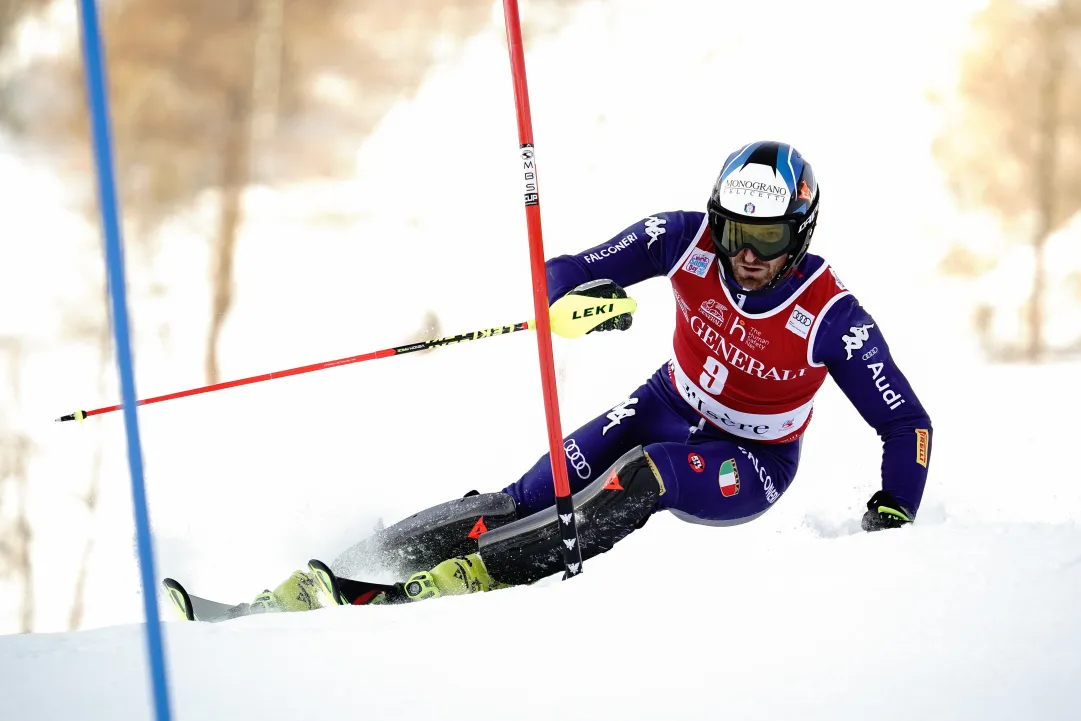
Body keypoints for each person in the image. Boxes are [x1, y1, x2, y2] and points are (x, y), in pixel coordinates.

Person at [254, 140, 934, 612]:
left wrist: (894, 505)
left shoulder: (828, 313)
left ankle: (479, 574)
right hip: (665, 399)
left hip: (750, 458)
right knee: (526, 492)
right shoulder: (683, 236)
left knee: (651, 472)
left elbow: (906, 423)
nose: (746, 256)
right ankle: (351, 565)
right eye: (734, 234)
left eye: (767, 240)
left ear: (801, 234)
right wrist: (569, 302)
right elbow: (566, 268)